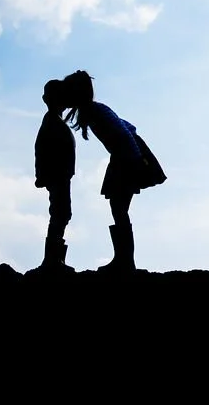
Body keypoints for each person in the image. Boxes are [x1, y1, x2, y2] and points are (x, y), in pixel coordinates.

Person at [62, 70, 144, 272]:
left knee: (119, 209)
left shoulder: (94, 111)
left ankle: (125, 262)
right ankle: (124, 260)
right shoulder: (96, 109)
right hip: (126, 157)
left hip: (125, 159)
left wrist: (123, 157)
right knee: (119, 209)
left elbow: (124, 131)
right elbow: (129, 127)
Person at [32, 79, 76, 272]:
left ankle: (55, 260)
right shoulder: (51, 121)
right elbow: (41, 149)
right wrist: (43, 175)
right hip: (57, 175)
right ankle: (52, 261)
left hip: (60, 174)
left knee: (62, 213)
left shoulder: (53, 120)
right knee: (60, 212)